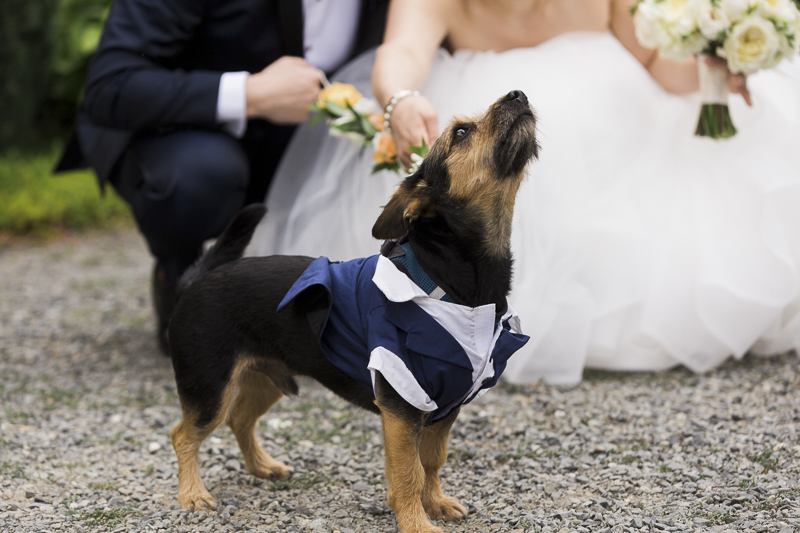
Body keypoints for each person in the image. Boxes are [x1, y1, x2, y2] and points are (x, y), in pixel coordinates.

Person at [250, 0, 800, 385]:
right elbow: (402, 48)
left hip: (613, 128)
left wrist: (711, 72)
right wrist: (400, 99)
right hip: (494, 131)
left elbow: (656, 61)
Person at [55, 0, 388, 354]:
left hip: (306, 130)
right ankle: (181, 272)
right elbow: (112, 84)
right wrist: (250, 94)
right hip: (178, 131)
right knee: (199, 179)